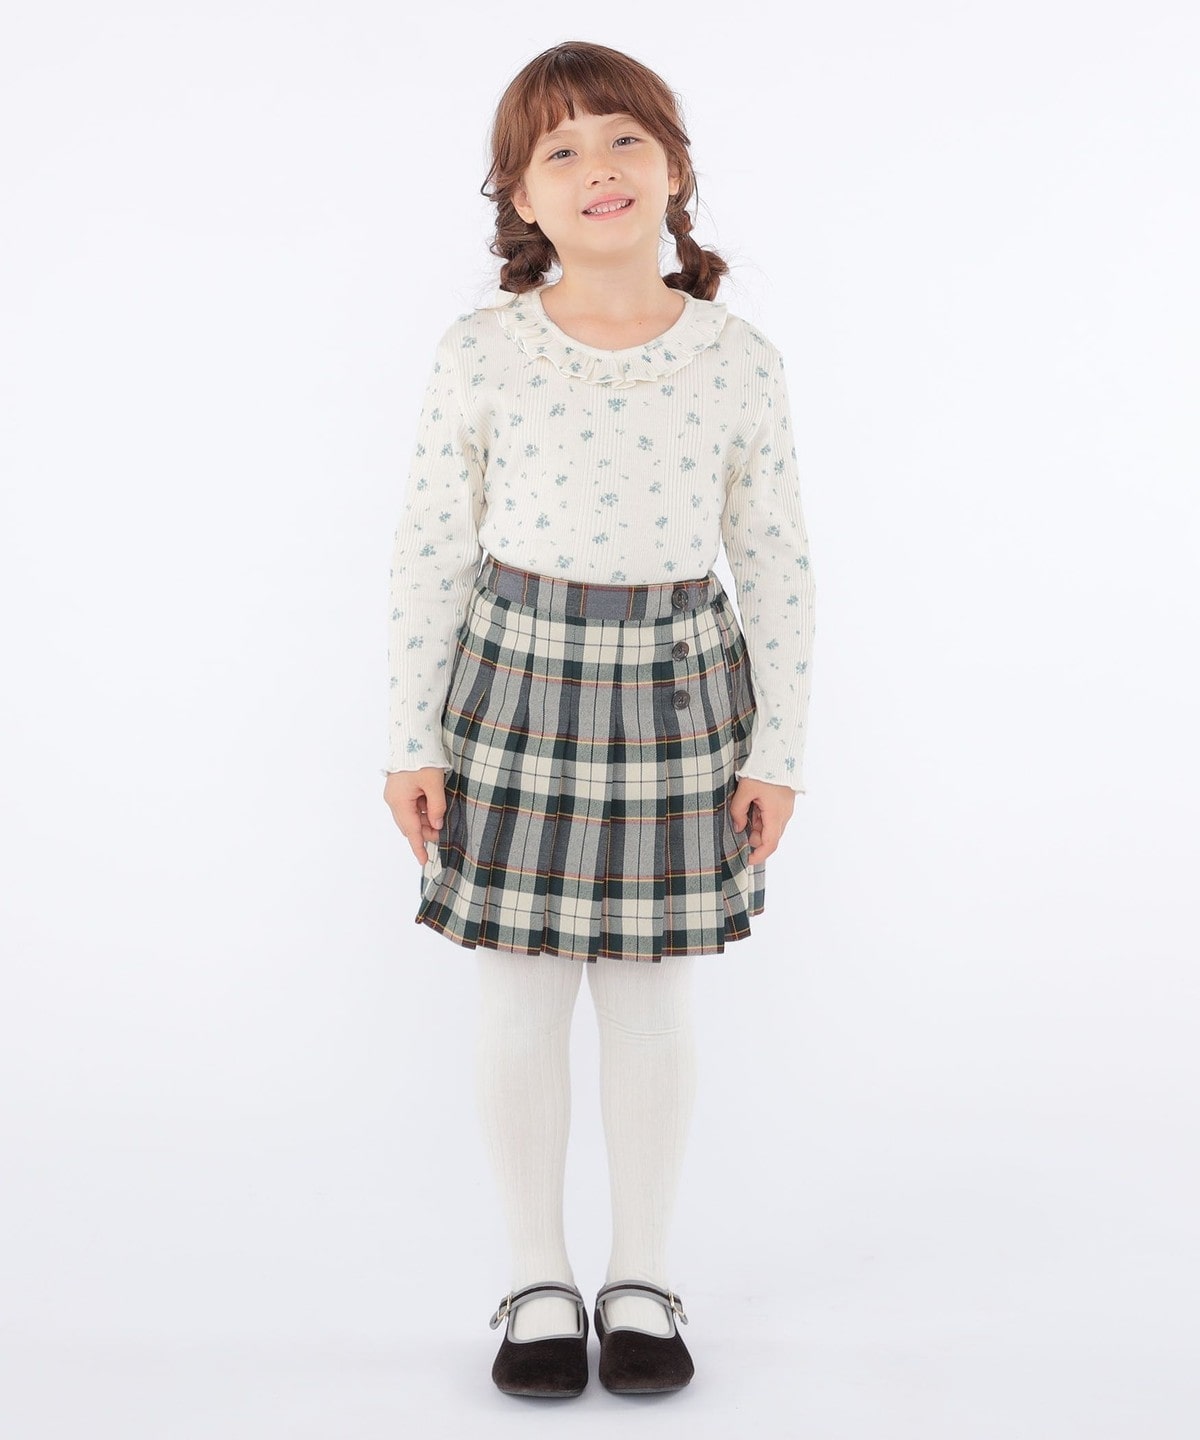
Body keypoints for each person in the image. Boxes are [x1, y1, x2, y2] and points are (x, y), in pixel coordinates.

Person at [381, 40, 816, 1398]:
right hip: (511, 686)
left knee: (649, 999)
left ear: (674, 166)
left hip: (680, 693)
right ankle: (534, 1283)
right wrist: (410, 736)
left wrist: (779, 751)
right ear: (520, 198)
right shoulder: (481, 351)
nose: (598, 168)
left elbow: (778, 558)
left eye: (624, 137)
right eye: (558, 151)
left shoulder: (738, 358)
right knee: (519, 997)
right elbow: (428, 549)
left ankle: (640, 1278)